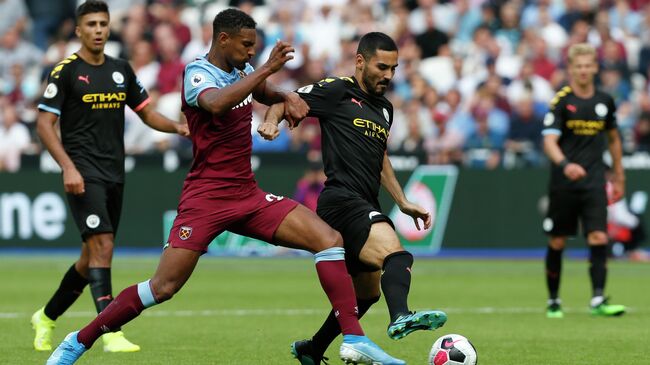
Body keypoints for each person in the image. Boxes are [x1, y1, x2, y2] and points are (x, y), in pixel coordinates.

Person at [46, 9, 404, 365]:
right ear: (223, 39)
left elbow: (264, 90)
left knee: (329, 241)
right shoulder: (197, 72)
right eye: (247, 45)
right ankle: (78, 340)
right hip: (205, 199)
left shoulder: (243, 70)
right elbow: (216, 104)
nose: (251, 52)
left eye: (255, 47)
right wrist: (267, 68)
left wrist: (286, 96)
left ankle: (354, 338)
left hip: (246, 194)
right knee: (163, 288)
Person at [259, 32, 447, 364]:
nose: (389, 75)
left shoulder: (386, 110)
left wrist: (402, 201)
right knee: (397, 255)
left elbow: (381, 157)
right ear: (360, 61)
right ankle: (400, 316)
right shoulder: (337, 90)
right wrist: (271, 122)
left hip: (364, 202)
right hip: (341, 200)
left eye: (394, 68)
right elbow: (284, 98)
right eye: (382, 66)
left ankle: (313, 349)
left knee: (367, 294)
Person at [33, 0, 189, 354]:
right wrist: (68, 167)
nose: (99, 30)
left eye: (103, 23)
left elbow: (147, 114)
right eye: (91, 24)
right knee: (103, 246)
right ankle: (109, 330)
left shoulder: (121, 69)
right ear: (79, 30)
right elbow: (44, 124)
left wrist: (179, 127)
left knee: (91, 259)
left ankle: (45, 316)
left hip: (115, 173)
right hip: (83, 174)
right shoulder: (66, 71)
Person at [541, 43, 626, 318]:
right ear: (571, 69)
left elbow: (613, 139)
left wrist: (619, 175)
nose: (584, 71)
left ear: (595, 67)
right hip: (564, 183)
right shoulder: (562, 101)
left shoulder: (605, 101)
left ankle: (598, 299)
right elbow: (549, 141)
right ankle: (554, 301)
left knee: (599, 236)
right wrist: (565, 165)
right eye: (578, 66)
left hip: (594, 181)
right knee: (558, 241)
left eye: (588, 65)